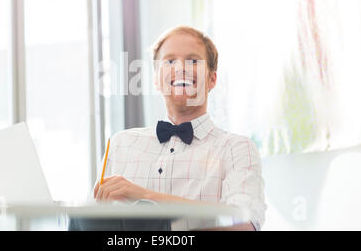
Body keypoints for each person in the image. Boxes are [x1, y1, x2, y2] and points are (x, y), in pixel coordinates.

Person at [92, 25, 266, 231]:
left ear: (212, 79)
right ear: (156, 79)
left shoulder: (237, 149)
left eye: (193, 60)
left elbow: (243, 226)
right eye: (170, 61)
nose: (181, 68)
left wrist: (144, 196)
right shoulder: (120, 144)